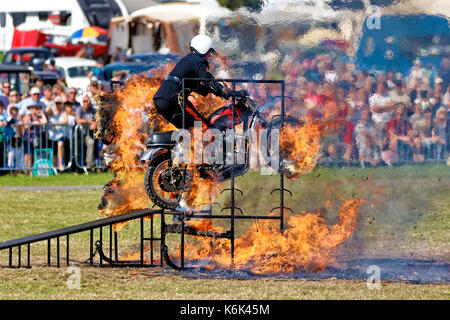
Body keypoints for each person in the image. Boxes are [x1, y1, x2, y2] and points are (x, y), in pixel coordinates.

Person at [153, 34, 233, 130]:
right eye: (209, 52)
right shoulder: (199, 61)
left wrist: (218, 93)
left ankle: (184, 144)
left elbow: (197, 86)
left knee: (188, 128)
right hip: (174, 100)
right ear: (204, 49)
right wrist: (223, 90)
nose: (210, 56)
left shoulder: (188, 60)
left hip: (161, 99)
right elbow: (207, 79)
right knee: (203, 126)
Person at [76, 95, 97, 168]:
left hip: (89, 134)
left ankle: (89, 165)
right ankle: (76, 166)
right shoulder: (79, 109)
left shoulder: (93, 110)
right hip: (79, 134)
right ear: (82, 102)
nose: (86, 103)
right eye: (85, 101)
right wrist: (89, 122)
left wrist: (94, 123)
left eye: (88, 101)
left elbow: (97, 120)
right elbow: (78, 120)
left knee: (91, 142)